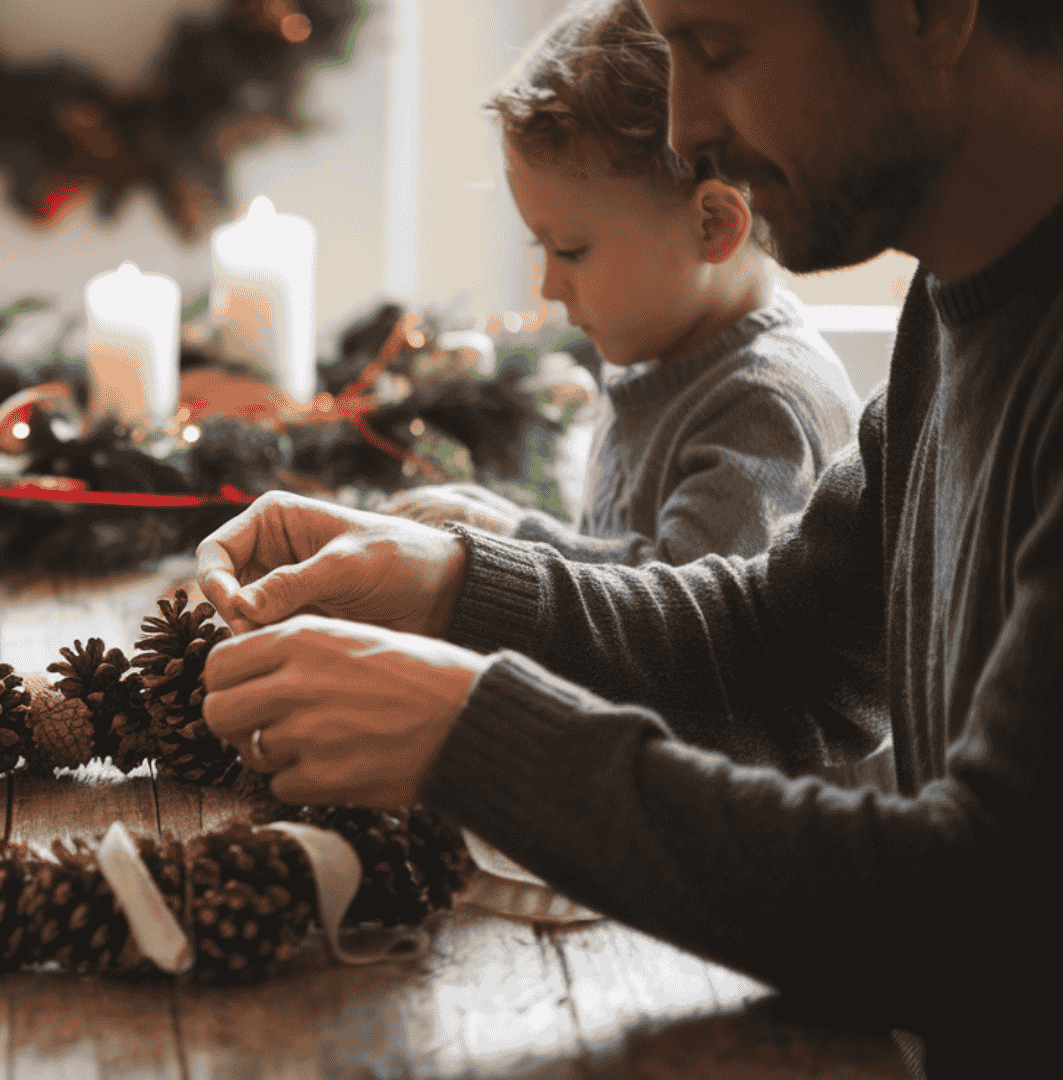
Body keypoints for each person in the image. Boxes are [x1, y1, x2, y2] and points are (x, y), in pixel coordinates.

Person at [194, 0, 1063, 1073]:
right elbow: (779, 648)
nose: (688, 121)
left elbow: (980, 919)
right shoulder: (958, 297)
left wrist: (470, 734)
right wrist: (452, 580)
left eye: (717, 46)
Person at [389, 0, 857, 567]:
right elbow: (615, 560)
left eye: (570, 250)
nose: (549, 287)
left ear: (713, 226)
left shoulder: (762, 408)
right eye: (542, 248)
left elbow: (687, 619)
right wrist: (489, 522)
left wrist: (512, 538)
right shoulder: (654, 357)